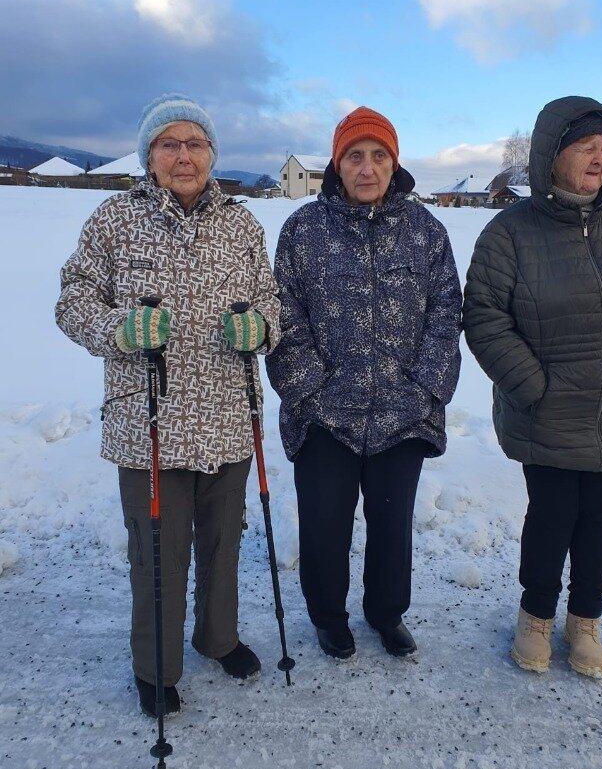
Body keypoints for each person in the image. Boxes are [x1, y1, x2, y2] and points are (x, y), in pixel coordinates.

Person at [56, 93, 280, 716]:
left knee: (223, 544)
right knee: (157, 552)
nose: (184, 156)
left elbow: (271, 300)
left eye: (196, 144)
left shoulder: (242, 225)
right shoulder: (114, 220)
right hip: (148, 421)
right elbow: (72, 300)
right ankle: (155, 667)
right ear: (148, 154)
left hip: (228, 417)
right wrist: (120, 329)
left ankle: (218, 639)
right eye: (169, 144)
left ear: (212, 154)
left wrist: (260, 328)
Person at [463, 96, 602, 678]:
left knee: (601, 519)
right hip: (550, 414)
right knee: (552, 516)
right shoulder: (510, 233)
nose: (599, 158)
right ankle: (536, 617)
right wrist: (534, 388)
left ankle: (585, 621)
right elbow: (483, 317)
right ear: (551, 155)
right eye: (586, 146)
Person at [266, 107, 462, 660]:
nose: (367, 168)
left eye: (379, 156)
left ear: (394, 164)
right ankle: (329, 617)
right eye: (355, 156)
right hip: (324, 414)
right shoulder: (302, 231)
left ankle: (387, 612)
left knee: (392, 526)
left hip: (403, 412)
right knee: (324, 525)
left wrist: (426, 389)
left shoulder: (426, 232)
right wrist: (309, 391)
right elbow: (284, 314)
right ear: (337, 164)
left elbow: (447, 312)